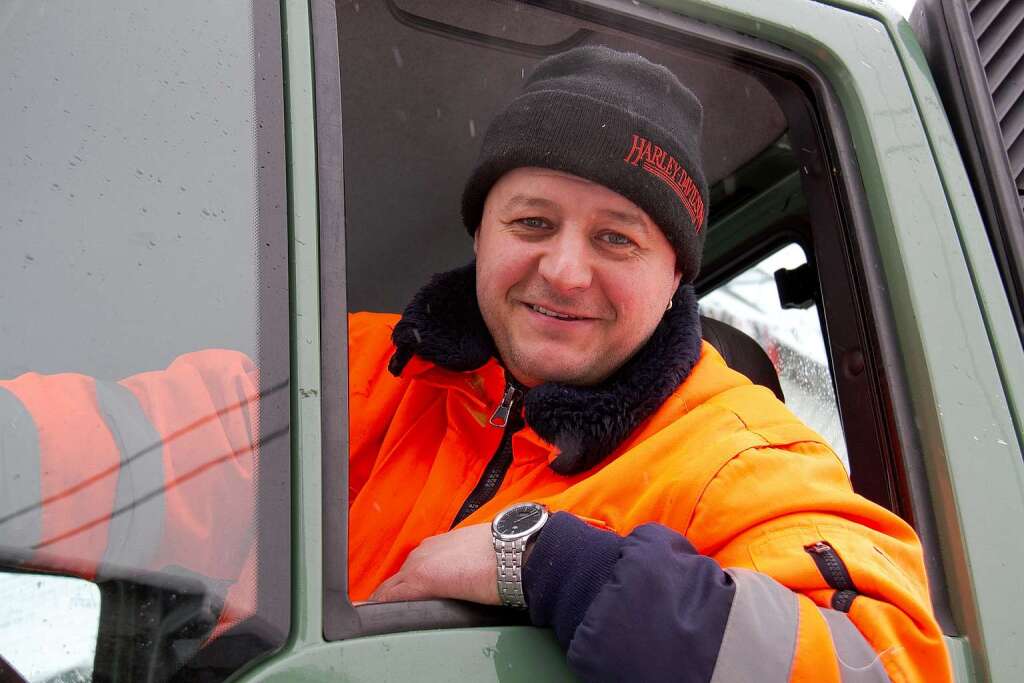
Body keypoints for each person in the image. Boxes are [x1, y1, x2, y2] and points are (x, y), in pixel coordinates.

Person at [0, 46, 951, 682]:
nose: (564, 270)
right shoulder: (362, 367)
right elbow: (134, 444)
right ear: (483, 234)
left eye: (618, 238)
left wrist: (546, 558)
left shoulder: (738, 453)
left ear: (675, 278)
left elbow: (883, 661)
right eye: (531, 222)